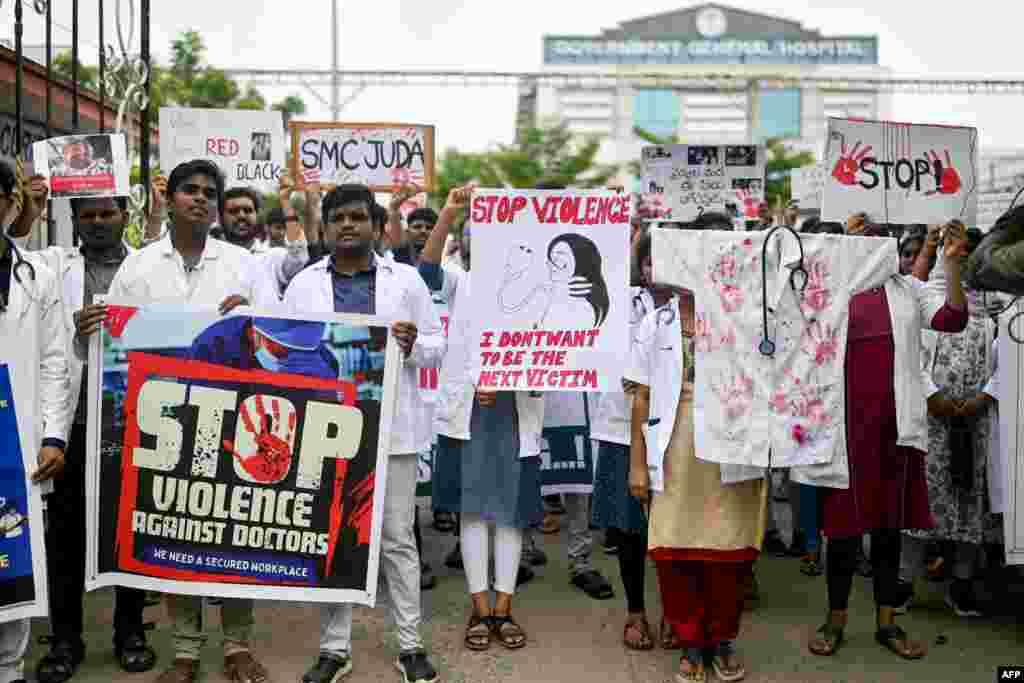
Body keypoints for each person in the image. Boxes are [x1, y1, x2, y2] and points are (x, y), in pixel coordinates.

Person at [103, 159, 271, 683]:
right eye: (188, 190)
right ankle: (184, 650)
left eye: (208, 192)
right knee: (176, 531)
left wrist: (253, 315)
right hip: (166, 423)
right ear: (170, 199)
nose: (199, 199)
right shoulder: (139, 267)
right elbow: (116, 340)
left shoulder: (246, 265)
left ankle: (238, 644)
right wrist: (96, 322)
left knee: (233, 533)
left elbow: (280, 340)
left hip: (234, 419)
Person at [281, 184, 443, 683]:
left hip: (391, 428)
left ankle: (411, 645)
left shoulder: (408, 281)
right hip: (327, 428)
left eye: (357, 217)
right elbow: (285, 354)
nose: (348, 225)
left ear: (377, 226)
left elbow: (438, 344)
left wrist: (414, 344)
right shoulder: (304, 284)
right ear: (325, 227)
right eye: (338, 218)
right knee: (332, 536)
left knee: (397, 539)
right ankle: (334, 648)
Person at [799, 220, 969, 661]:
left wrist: (951, 266)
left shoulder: (909, 290)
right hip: (844, 435)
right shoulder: (834, 288)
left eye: (880, 244)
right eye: (864, 243)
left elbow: (953, 318)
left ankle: (886, 623)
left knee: (889, 531)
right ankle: (834, 620)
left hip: (896, 432)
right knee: (842, 536)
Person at [8, 178, 156, 683]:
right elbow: (35, 313)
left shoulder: (148, 269)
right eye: (86, 216)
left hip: (135, 423)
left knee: (127, 534)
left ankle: (130, 633)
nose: (96, 223)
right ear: (74, 223)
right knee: (64, 540)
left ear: (124, 216)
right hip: (70, 423)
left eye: (105, 214)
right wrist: (71, 324)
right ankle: (65, 642)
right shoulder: (51, 267)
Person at [627, 288, 763, 682]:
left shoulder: (748, 316)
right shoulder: (658, 322)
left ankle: (721, 639)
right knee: (675, 547)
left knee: (730, 548)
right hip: (675, 446)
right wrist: (637, 463)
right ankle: (689, 640)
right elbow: (641, 395)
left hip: (733, 447)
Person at [434, 251, 544, 653]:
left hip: (516, 411)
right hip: (469, 411)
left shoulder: (538, 286)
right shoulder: (461, 281)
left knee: (511, 515)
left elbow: (552, 351)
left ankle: (504, 607)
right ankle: (480, 609)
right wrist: (448, 209)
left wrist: (508, 376)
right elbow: (428, 271)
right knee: (473, 510)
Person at [0, 159, 72, 683]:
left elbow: (54, 361)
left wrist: (52, 436)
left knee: (15, 576)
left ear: (10, 202)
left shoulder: (38, 277)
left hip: (17, 447)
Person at [902, 236, 999, 617]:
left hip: (974, 425)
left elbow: (1002, 365)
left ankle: (961, 585)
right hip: (932, 425)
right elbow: (913, 360)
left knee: (968, 501)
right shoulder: (928, 309)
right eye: (957, 256)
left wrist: (982, 398)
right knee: (922, 501)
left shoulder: (992, 314)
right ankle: (904, 582)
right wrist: (932, 397)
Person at [591, 231, 672, 650]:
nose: (654, 270)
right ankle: (636, 611)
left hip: (678, 430)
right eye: (646, 262)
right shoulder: (620, 300)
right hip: (622, 429)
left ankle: (675, 611)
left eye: (663, 260)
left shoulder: (696, 309)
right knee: (628, 531)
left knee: (676, 527)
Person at [221, 187, 268, 253]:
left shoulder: (270, 256)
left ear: (257, 215)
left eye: (248, 210)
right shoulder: (206, 256)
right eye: (234, 211)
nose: (241, 216)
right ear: (221, 217)